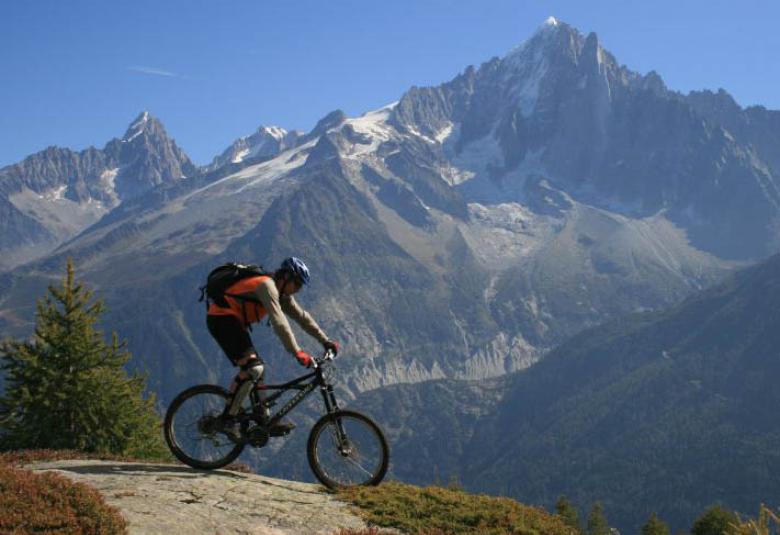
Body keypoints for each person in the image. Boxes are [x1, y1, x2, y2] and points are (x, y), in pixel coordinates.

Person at [206, 257, 339, 441]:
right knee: (253, 368)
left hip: (234, 322)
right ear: (285, 277)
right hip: (221, 319)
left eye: (301, 286)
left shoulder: (282, 294)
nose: (298, 289)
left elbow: (303, 318)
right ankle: (227, 419)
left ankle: (264, 419)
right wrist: (297, 351)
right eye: (297, 284)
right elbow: (280, 323)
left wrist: (326, 341)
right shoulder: (266, 285)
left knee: (259, 370)